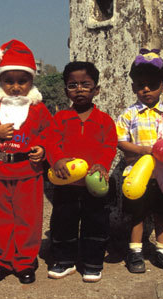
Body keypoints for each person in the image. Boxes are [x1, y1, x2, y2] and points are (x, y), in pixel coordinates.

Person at [0, 39, 66, 284]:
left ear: (31, 81)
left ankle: (25, 261)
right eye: (8, 81)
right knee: (0, 220)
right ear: (0, 81)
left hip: (28, 172)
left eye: (21, 81)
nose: (15, 87)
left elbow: (51, 132)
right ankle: (2, 261)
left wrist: (42, 149)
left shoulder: (38, 109)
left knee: (28, 219)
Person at [116, 49, 163, 274]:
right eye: (140, 84)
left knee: (161, 214)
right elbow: (120, 141)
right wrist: (143, 150)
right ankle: (135, 251)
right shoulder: (129, 115)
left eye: (153, 84)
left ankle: (162, 250)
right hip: (138, 174)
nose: (146, 89)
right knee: (137, 214)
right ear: (133, 87)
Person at [48, 61, 118, 283]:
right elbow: (51, 141)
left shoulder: (104, 120)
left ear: (96, 89)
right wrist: (56, 159)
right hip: (66, 185)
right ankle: (64, 261)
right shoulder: (59, 118)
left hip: (94, 186)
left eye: (85, 84)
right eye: (72, 85)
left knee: (96, 223)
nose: (79, 89)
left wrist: (102, 164)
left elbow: (109, 146)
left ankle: (92, 263)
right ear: (65, 90)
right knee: (62, 223)